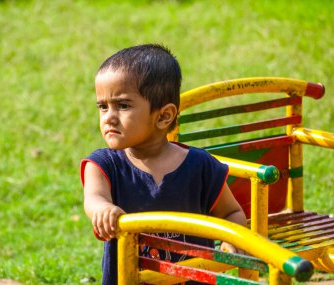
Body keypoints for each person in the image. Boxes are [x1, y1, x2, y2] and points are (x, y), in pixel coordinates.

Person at [81, 44, 247, 284]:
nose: (109, 117)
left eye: (123, 105)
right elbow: (94, 198)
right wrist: (103, 210)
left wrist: (231, 239)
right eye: (103, 106)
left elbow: (231, 212)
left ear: (163, 116)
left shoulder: (200, 166)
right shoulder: (103, 165)